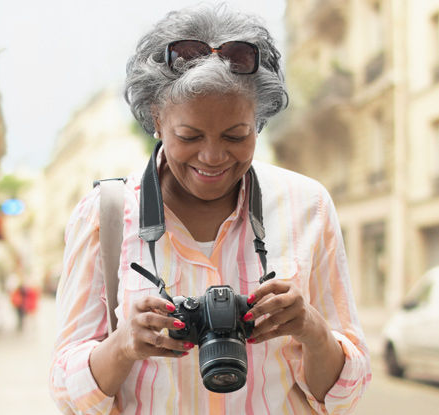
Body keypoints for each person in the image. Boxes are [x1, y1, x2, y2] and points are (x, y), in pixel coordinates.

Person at [50, 5, 371, 415]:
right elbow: (66, 393)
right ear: (157, 119)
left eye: (237, 135)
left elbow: (346, 394)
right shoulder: (104, 215)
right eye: (189, 135)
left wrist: (310, 327)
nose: (213, 156)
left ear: (259, 121)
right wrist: (125, 344)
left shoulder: (307, 206)